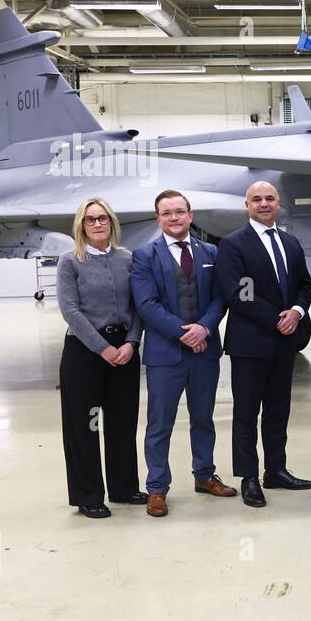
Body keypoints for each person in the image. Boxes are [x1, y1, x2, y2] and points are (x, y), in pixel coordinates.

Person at [130, 190, 236, 518]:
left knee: (203, 418)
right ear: (158, 218)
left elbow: (221, 297)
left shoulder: (212, 252)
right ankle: (157, 488)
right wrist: (185, 334)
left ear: (191, 215)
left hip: (205, 352)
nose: (174, 218)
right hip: (166, 355)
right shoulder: (144, 256)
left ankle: (204, 476)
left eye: (179, 212)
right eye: (166, 213)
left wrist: (203, 328)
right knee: (159, 423)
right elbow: (147, 305)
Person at [214, 180, 311, 508]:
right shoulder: (233, 244)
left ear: (278, 203)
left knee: (277, 410)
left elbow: (304, 284)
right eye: (256, 199)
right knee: (246, 413)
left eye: (269, 198)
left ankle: (276, 470)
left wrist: (298, 311)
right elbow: (238, 292)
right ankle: (249, 477)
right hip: (250, 343)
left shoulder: (289, 242)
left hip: (284, 344)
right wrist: (277, 319)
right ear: (247, 206)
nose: (263, 204)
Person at [56, 198, 146, 518]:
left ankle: (124, 487)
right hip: (85, 352)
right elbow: (70, 310)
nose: (96, 224)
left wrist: (131, 342)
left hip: (124, 350)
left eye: (102, 218)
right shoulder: (70, 261)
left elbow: (138, 306)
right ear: (81, 225)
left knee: (122, 423)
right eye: (90, 219)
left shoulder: (128, 259)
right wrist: (102, 348)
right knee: (86, 426)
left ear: (112, 223)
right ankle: (88, 494)